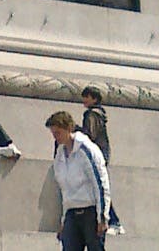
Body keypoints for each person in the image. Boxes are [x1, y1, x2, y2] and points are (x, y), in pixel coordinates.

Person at [47, 110, 109, 250]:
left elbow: (100, 183)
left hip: (90, 211)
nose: (56, 137)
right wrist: (63, 220)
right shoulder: (60, 154)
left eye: (58, 133)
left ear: (69, 129)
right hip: (71, 212)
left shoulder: (86, 150)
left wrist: (102, 217)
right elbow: (64, 189)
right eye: (53, 134)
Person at [80, 85, 123, 235]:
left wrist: (76, 131)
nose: (84, 100)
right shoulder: (100, 114)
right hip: (102, 153)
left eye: (86, 96)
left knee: (99, 189)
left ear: (94, 98)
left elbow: (89, 135)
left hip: (95, 155)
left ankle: (113, 221)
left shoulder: (91, 115)